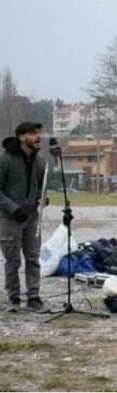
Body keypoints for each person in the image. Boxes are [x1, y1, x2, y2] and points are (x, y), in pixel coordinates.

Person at [0, 122, 47, 311]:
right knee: (13, 260)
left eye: (38, 133)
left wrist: (42, 198)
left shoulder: (40, 161)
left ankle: (34, 296)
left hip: (32, 217)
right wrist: (13, 209)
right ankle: (14, 297)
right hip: (9, 218)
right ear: (21, 137)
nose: (37, 137)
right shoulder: (5, 160)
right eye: (32, 133)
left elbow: (38, 187)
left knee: (33, 258)